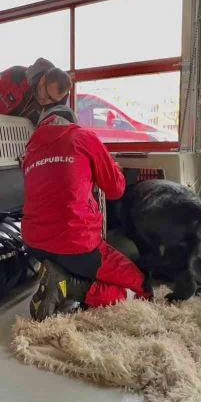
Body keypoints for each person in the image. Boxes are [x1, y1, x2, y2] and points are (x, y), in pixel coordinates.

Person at [22, 105, 152, 321]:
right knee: (142, 287)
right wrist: (114, 168)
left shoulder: (29, 151)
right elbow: (115, 190)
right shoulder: (83, 137)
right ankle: (72, 288)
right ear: (73, 122)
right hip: (76, 243)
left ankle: (60, 275)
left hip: (34, 243)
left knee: (71, 259)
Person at [0, 57, 71, 125]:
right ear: (43, 80)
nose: (48, 102)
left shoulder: (56, 108)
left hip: (24, 146)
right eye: (48, 95)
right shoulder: (17, 75)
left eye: (53, 100)